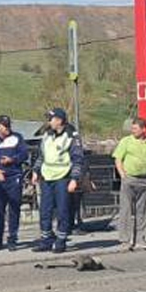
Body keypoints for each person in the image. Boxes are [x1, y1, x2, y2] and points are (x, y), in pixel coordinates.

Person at [30, 107, 85, 254]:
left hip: (63, 177)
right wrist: (35, 171)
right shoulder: (47, 135)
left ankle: (61, 240)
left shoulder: (72, 136)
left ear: (59, 120)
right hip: (47, 177)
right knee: (45, 210)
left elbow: (78, 160)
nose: (48, 121)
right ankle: (46, 239)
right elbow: (41, 156)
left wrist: (74, 179)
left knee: (63, 210)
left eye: (51, 119)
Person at [112, 116, 146, 251]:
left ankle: (140, 239)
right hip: (130, 179)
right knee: (126, 210)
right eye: (132, 128)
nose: (132, 130)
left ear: (143, 129)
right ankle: (125, 241)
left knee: (143, 211)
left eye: (135, 128)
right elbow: (118, 159)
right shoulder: (126, 141)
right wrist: (123, 175)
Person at [0, 115, 27, 251]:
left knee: (14, 209)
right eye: (4, 126)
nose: (7, 129)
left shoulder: (17, 137)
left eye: (8, 126)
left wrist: (12, 159)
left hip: (14, 177)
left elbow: (24, 154)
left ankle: (12, 238)